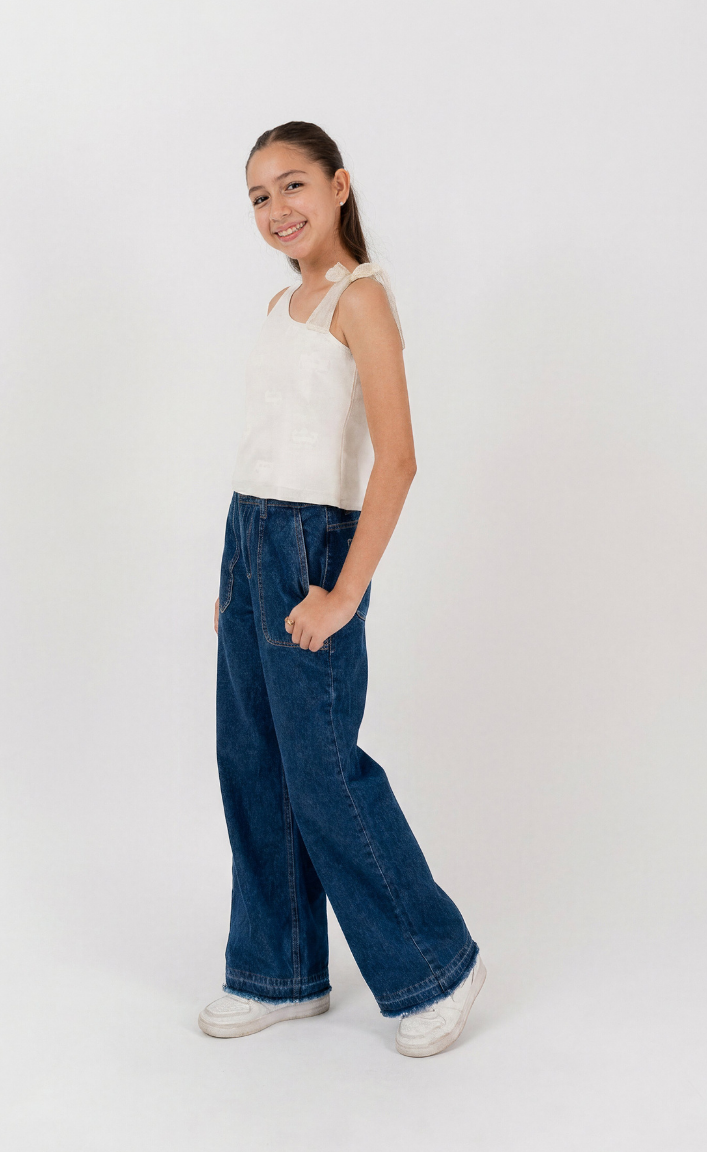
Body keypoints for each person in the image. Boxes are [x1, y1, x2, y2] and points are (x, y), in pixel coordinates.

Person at [199, 121, 485, 1059]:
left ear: (339, 186)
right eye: (259, 196)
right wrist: (232, 581)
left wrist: (344, 593)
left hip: (312, 547)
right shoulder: (279, 305)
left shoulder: (360, 298)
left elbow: (397, 460)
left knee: (324, 772)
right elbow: (263, 450)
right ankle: (279, 971)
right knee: (253, 762)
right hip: (251, 539)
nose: (276, 209)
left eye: (293, 185)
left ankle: (437, 965)